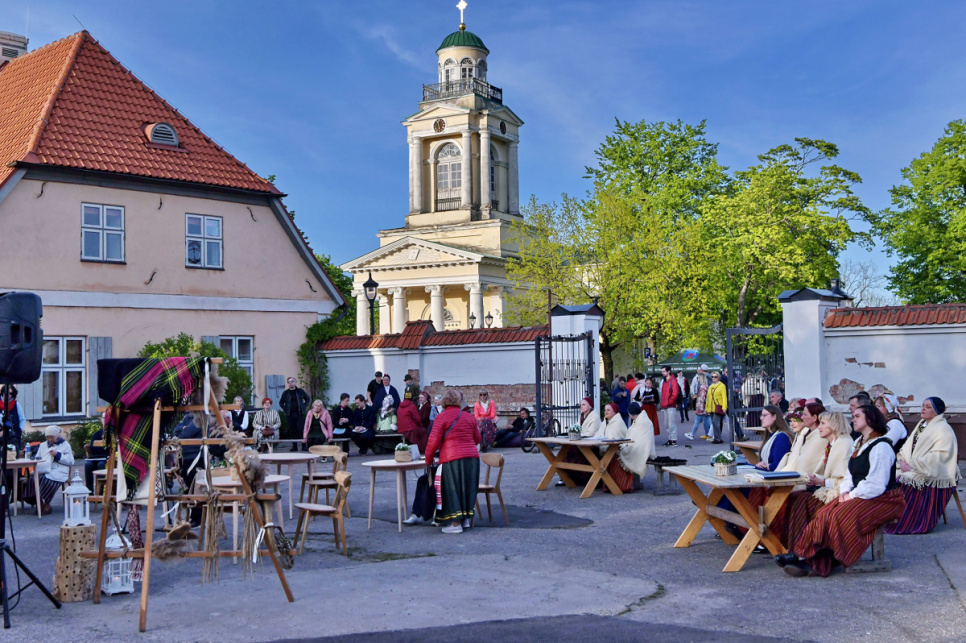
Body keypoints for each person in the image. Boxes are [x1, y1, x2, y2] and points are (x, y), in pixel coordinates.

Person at [777, 403, 905, 577]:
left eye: (857, 416)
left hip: (885, 499)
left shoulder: (881, 447)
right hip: (863, 494)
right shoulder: (860, 443)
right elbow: (849, 475)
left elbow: (876, 484)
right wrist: (845, 491)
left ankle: (820, 561)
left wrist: (851, 495)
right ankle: (803, 553)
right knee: (825, 513)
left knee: (839, 516)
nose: (853, 419)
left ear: (870, 420)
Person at [885, 397, 960, 535]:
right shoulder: (921, 425)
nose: (923, 409)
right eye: (923, 405)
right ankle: (884, 519)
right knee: (886, 477)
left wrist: (913, 466)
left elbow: (940, 456)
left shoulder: (943, 429)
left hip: (936, 470)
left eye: (928, 407)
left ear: (936, 411)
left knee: (905, 481)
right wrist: (903, 461)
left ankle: (906, 523)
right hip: (915, 467)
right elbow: (907, 447)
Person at [780, 411, 855, 549]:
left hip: (840, 493)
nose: (819, 427)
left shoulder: (843, 444)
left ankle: (804, 548)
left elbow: (844, 481)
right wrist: (816, 479)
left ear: (833, 425)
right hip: (828, 488)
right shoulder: (833, 443)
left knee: (801, 503)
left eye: (822, 423)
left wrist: (821, 482)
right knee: (795, 498)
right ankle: (793, 545)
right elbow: (827, 473)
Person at [424, 389, 480, 534]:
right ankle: (465, 519)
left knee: (452, 489)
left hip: (451, 458)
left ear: (444, 402)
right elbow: (477, 439)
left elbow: (433, 441)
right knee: (466, 488)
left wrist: (428, 459)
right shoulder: (469, 417)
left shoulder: (441, 418)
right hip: (472, 458)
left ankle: (455, 524)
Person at [20, 426, 73, 515]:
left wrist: (58, 455)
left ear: (57, 436)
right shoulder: (43, 445)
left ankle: (47, 503)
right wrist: (38, 459)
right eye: (47, 437)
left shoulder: (65, 445)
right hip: (44, 468)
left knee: (47, 479)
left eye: (51, 437)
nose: (49, 439)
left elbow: (71, 461)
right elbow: (38, 457)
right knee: (33, 478)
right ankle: (39, 503)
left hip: (59, 470)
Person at [777, 402, 829, 478]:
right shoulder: (806, 434)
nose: (802, 417)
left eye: (805, 415)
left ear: (814, 418)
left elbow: (807, 464)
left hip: (809, 481)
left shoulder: (820, 437)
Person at [754, 405, 795, 472]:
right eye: (761, 415)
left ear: (774, 417)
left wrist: (766, 466)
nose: (761, 418)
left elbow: (778, 465)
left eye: (765, 415)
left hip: (775, 475)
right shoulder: (771, 435)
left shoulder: (782, 437)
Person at [279, 377, 310, 451]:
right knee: (292, 430)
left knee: (301, 429)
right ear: (288, 383)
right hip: (290, 414)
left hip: (300, 414)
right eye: (289, 382)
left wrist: (304, 406)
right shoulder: (286, 393)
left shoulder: (300, 391)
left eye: (292, 381)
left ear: (295, 382)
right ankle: (294, 446)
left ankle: (304, 445)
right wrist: (285, 409)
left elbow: (307, 399)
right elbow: (281, 402)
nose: (291, 383)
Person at [397, 389, 429, 454]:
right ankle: (422, 449)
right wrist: (420, 425)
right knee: (423, 431)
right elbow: (417, 419)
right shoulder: (412, 406)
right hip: (409, 429)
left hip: (400, 428)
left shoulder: (400, 406)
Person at [686, 365, 711, 441]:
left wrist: (696, 397)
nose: (697, 380)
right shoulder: (706, 385)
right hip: (705, 406)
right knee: (707, 420)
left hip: (701, 406)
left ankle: (692, 434)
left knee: (697, 420)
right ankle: (710, 434)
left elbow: (702, 398)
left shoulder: (702, 387)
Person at [0, 384, 25, 453]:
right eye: (5, 392)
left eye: (10, 393)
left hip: (13, 436)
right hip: (1, 435)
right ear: (2, 392)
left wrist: (19, 430)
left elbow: (22, 419)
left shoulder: (16, 404)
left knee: (14, 454)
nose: (7, 395)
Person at [658, 366, 680, 446]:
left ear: (668, 371)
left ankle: (673, 439)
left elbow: (675, 394)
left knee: (671, 424)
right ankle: (670, 439)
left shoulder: (673, 381)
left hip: (670, 405)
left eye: (664, 371)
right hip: (666, 405)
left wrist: (668, 402)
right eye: (662, 371)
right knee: (667, 424)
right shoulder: (665, 381)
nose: (662, 373)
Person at [706, 371, 728, 444]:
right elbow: (708, 398)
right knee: (714, 423)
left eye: (715, 377)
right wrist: (707, 408)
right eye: (712, 377)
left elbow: (724, 397)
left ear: (718, 377)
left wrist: (724, 407)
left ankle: (717, 438)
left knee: (716, 423)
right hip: (711, 407)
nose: (713, 378)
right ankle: (717, 437)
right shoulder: (710, 386)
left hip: (718, 406)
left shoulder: (722, 386)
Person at [84, 426, 109, 491]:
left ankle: (101, 490)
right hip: (96, 457)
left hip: (106, 458)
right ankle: (89, 490)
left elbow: (111, 448)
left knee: (101, 465)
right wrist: (104, 448)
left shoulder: (111, 434)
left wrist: (101, 448)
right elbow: (92, 448)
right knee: (88, 465)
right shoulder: (97, 434)